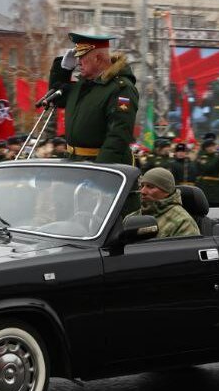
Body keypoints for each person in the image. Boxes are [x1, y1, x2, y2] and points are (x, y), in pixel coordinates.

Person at [46, 32, 138, 164]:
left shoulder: (121, 89)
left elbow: (118, 137)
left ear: (98, 58)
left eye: (82, 57)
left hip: (99, 164)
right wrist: (63, 69)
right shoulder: (82, 85)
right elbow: (56, 99)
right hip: (75, 161)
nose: (78, 62)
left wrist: (99, 170)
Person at [124, 167, 200, 239]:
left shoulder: (183, 222)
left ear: (166, 191)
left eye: (150, 187)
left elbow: (188, 248)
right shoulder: (131, 218)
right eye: (142, 186)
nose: (143, 191)